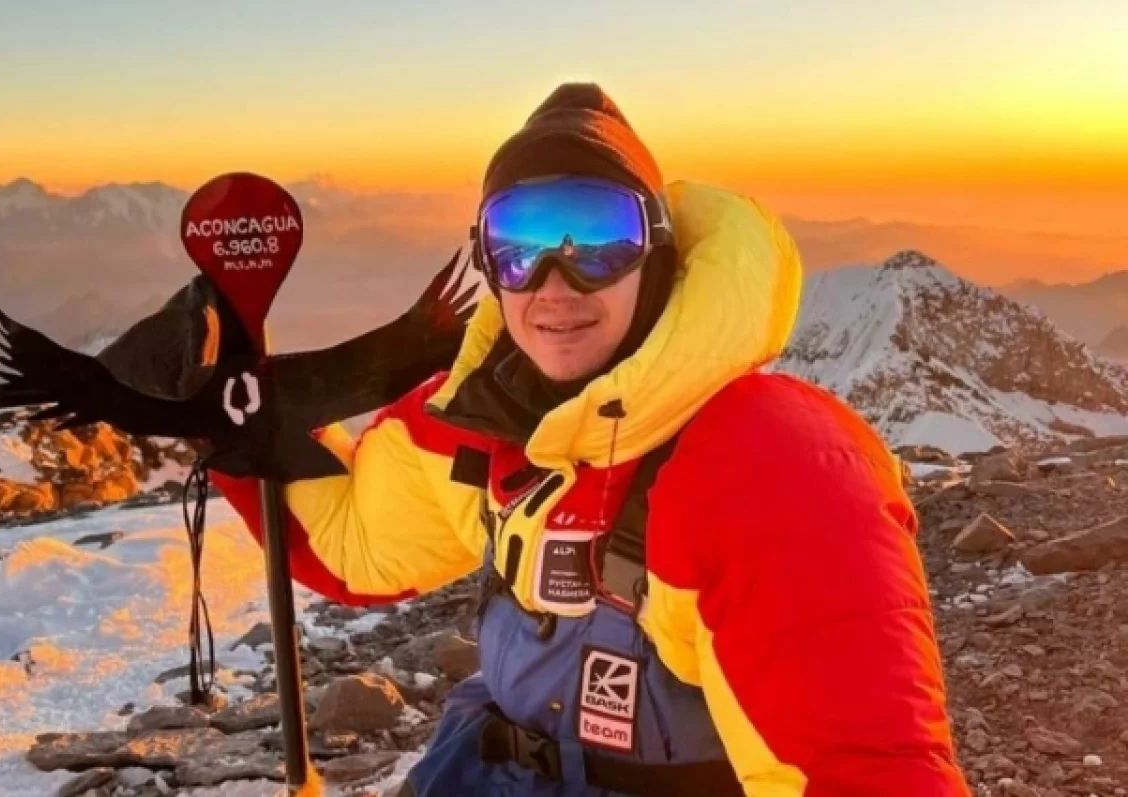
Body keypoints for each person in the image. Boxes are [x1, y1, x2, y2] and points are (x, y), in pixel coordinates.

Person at [205, 83, 971, 795]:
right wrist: (240, 429)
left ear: (658, 251)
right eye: (517, 244)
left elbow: (863, 771)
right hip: (479, 763)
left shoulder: (767, 460)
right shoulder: (489, 421)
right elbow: (357, 543)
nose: (553, 281)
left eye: (598, 240)